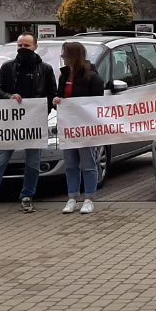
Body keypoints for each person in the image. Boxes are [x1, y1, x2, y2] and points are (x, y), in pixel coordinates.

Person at [0, 33, 56, 219]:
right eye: (19, 45)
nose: (22, 48)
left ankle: (27, 196)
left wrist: (43, 112)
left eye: (26, 45)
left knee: (33, 164)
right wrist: (8, 97)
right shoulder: (7, 67)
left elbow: (52, 94)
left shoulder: (45, 69)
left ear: (35, 47)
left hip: (34, 123)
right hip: (9, 124)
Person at [53, 41, 106, 214]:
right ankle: (72, 197)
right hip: (68, 128)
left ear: (74, 56)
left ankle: (89, 198)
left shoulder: (92, 76)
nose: (62, 57)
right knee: (70, 164)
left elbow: (97, 103)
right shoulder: (64, 75)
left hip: (85, 128)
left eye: (65, 54)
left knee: (88, 164)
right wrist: (57, 100)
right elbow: (60, 95)